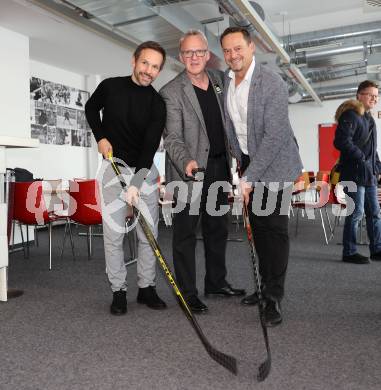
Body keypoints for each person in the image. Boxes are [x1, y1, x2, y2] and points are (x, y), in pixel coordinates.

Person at [220, 27, 303, 327]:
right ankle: (264, 286)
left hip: (277, 165)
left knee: (275, 233)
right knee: (258, 230)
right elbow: (232, 130)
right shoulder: (227, 84)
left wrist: (250, 177)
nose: (233, 55)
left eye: (238, 48)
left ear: (252, 47)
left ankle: (274, 299)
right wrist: (239, 168)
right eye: (227, 50)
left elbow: (276, 135)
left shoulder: (271, 82)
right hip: (249, 164)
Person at [160, 30, 245, 314]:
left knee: (217, 229)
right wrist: (186, 162)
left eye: (199, 52)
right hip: (190, 173)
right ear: (180, 56)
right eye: (188, 53)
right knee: (185, 235)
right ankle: (187, 293)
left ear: (208, 55)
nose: (194, 57)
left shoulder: (220, 81)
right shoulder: (171, 92)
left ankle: (216, 282)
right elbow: (172, 138)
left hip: (220, 167)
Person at [85, 41, 167, 315]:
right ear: (134, 61)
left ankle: (146, 288)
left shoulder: (157, 104)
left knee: (148, 234)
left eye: (155, 67)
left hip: (143, 171)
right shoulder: (110, 87)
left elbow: (150, 147)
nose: (149, 71)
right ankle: (118, 290)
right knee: (113, 235)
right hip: (112, 169)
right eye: (145, 63)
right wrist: (101, 137)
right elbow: (89, 108)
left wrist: (136, 184)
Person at [334, 80, 381, 264]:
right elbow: (341, 141)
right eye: (370, 95)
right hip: (353, 173)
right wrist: (361, 158)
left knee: (375, 213)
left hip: (368, 174)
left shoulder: (369, 119)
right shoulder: (351, 115)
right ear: (359, 95)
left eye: (376, 96)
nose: (374, 99)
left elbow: (373, 149)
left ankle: (377, 249)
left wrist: (377, 167)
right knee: (356, 213)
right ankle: (349, 252)